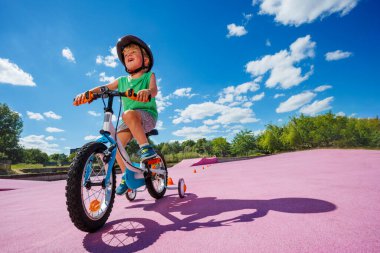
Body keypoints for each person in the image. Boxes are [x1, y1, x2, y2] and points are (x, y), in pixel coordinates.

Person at [73, 35, 158, 195]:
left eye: (133, 51)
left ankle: (146, 149)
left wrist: (147, 91)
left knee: (128, 114)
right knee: (115, 146)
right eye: (126, 55)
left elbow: (154, 91)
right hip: (128, 120)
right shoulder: (121, 80)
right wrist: (87, 94)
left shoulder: (148, 76)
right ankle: (128, 174)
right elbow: (105, 87)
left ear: (145, 60)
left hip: (146, 116)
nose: (128, 55)